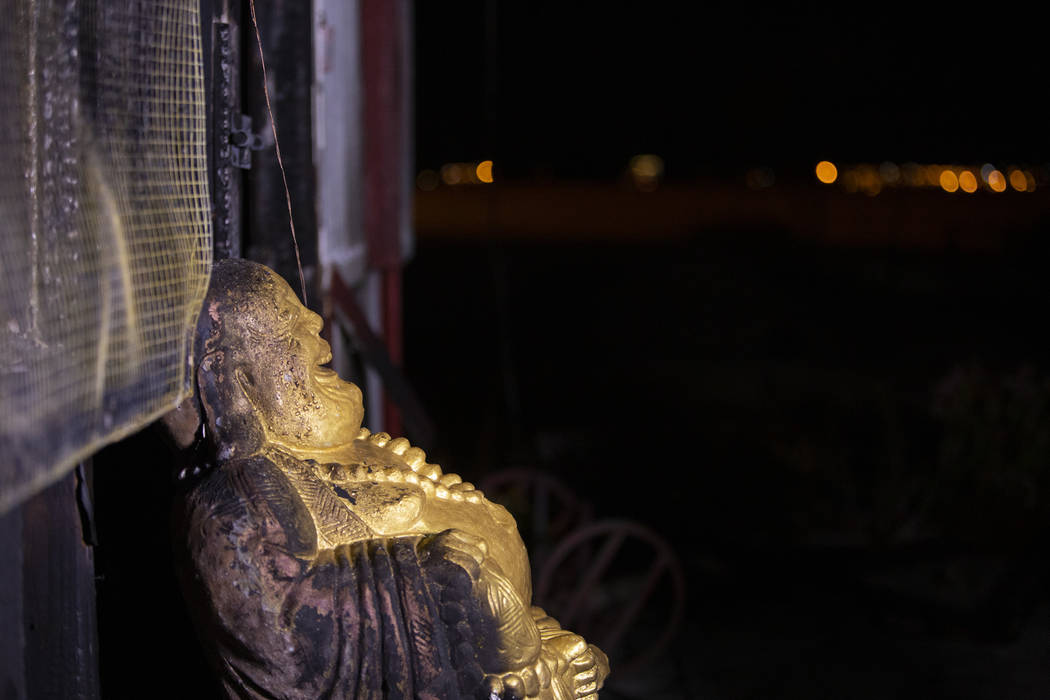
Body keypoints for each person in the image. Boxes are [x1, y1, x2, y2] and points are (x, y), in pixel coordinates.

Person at [164, 259, 608, 699]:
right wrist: (429, 575)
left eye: (303, 310)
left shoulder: (337, 453)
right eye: (287, 321)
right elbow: (288, 641)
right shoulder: (236, 504)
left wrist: (552, 654)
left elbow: (518, 622)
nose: (315, 321)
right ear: (233, 379)